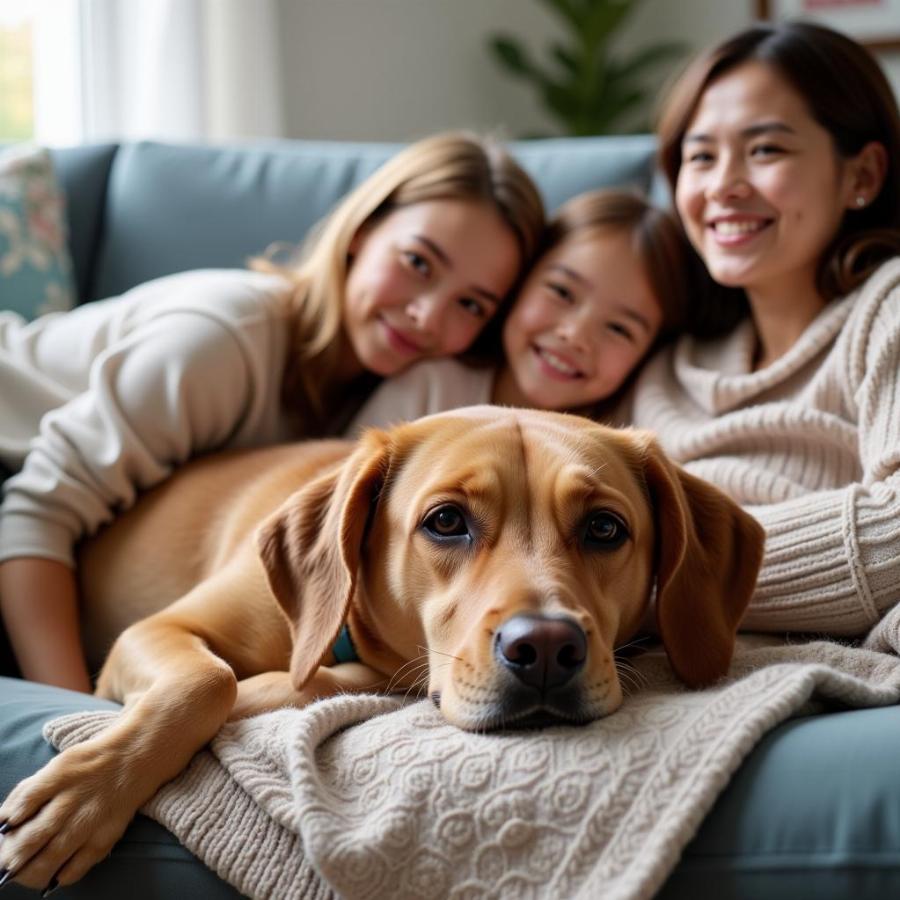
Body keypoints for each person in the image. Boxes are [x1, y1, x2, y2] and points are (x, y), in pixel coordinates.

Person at [0, 131, 546, 692]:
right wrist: (69, 717)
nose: (426, 315)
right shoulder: (219, 341)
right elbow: (36, 512)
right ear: (361, 232)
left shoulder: (394, 397)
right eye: (418, 262)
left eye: (471, 303)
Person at [628, 20, 900, 635]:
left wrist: (654, 590)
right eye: (700, 156)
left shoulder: (889, 306)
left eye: (765, 150)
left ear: (862, 176)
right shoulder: (666, 358)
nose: (723, 185)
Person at [349, 188, 691, 432]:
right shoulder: (431, 385)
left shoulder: (626, 431)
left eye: (619, 329)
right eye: (561, 291)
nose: (574, 335)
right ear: (518, 284)